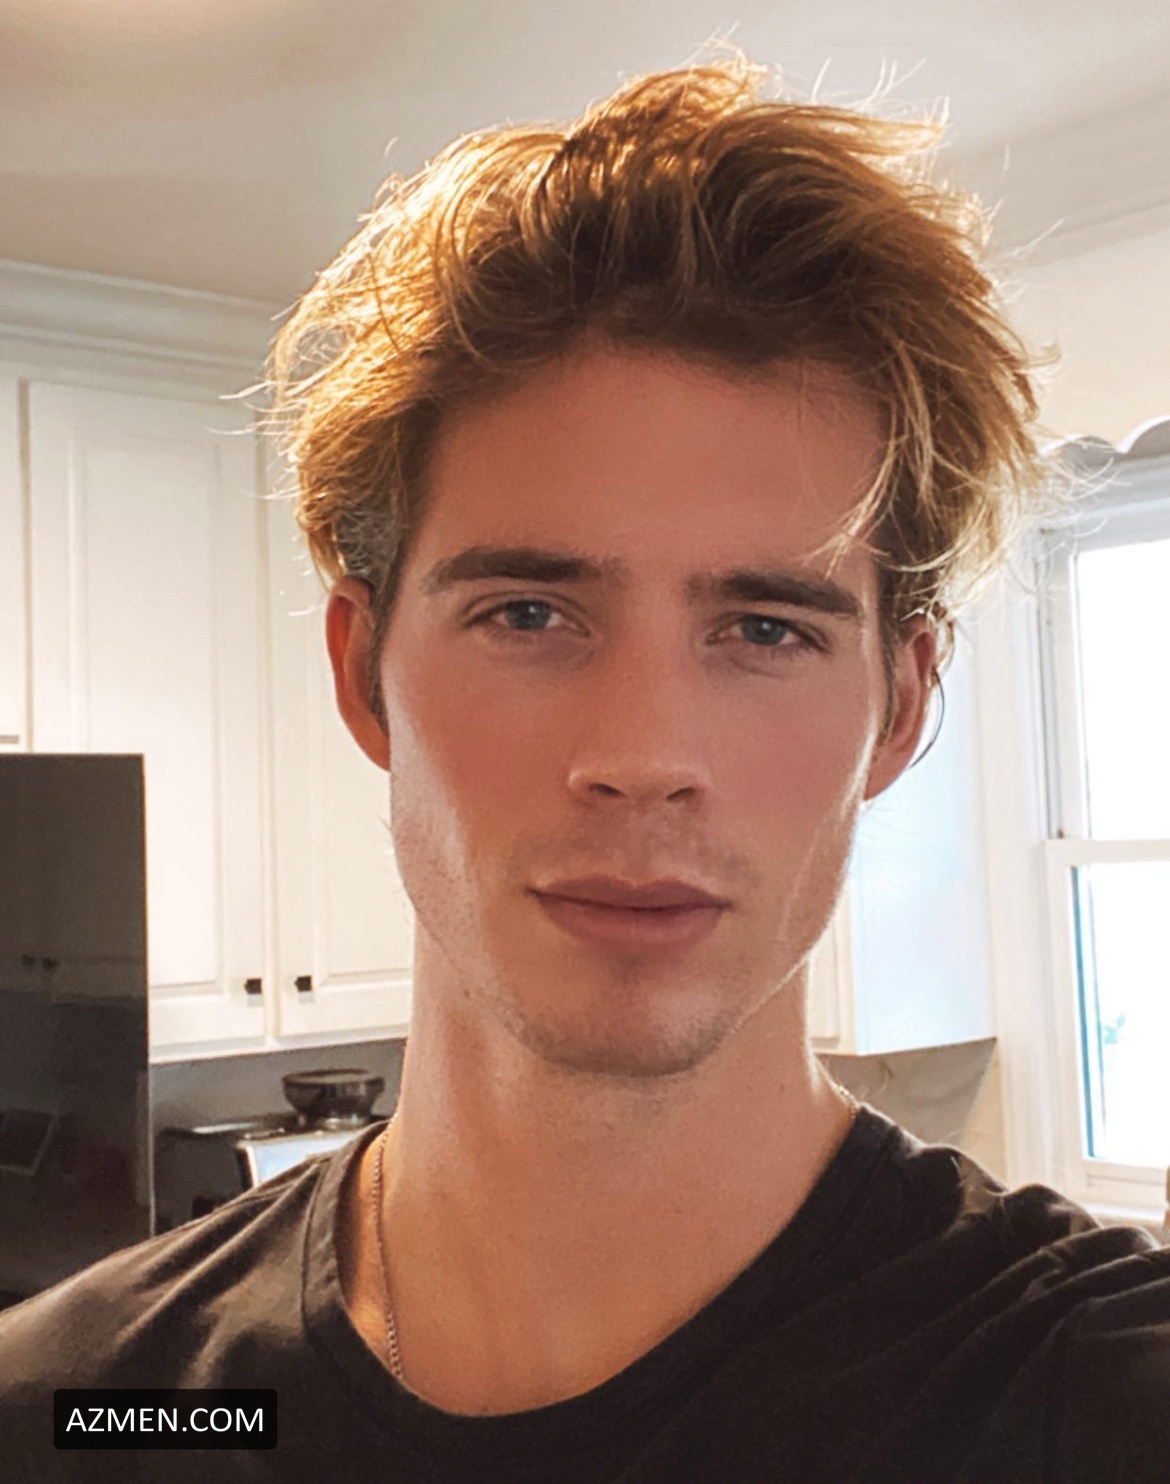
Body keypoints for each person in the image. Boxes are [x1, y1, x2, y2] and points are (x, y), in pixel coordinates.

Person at [2, 55, 1168, 1484]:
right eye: (529, 615)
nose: (642, 759)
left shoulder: (1092, 1400)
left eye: (764, 629)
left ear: (901, 708)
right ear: (362, 672)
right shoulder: (80, 1410)